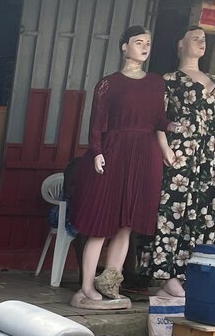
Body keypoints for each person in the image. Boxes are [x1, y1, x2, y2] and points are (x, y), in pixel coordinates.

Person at [69, 25, 173, 307]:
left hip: (145, 153)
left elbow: (159, 119)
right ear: (124, 46)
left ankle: (110, 283)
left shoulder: (157, 83)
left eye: (148, 42)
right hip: (114, 151)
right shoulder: (108, 83)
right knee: (100, 224)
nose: (145, 47)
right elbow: (96, 123)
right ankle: (86, 285)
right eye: (138, 42)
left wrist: (172, 128)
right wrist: (97, 151)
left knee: (127, 224)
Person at [144, 25, 215, 298]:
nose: (202, 42)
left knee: (209, 211)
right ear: (180, 44)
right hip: (184, 151)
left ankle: (199, 272)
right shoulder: (169, 80)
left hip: (214, 153)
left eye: (204, 39)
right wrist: (164, 147)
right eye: (195, 38)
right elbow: (159, 117)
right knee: (175, 210)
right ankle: (168, 274)